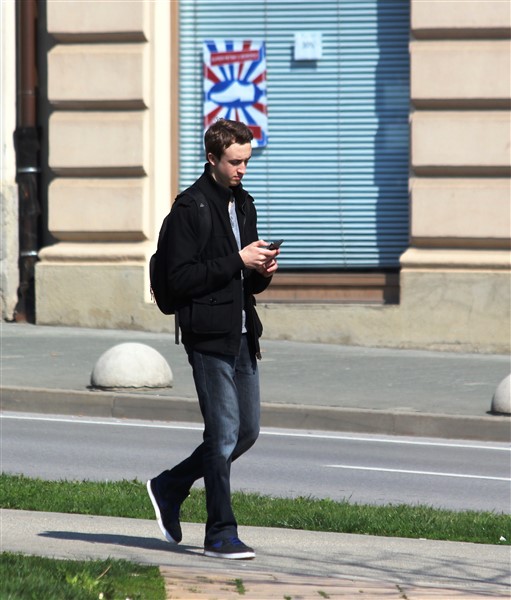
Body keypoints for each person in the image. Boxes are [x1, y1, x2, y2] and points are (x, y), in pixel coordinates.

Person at [147, 118, 279, 560]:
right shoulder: (190, 208)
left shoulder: (244, 203)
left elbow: (245, 281)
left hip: (242, 333)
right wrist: (238, 260)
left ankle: (170, 485)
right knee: (222, 435)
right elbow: (179, 279)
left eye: (247, 161)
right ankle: (220, 534)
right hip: (206, 336)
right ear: (212, 159)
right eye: (234, 161)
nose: (242, 169)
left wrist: (261, 270)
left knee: (247, 431)